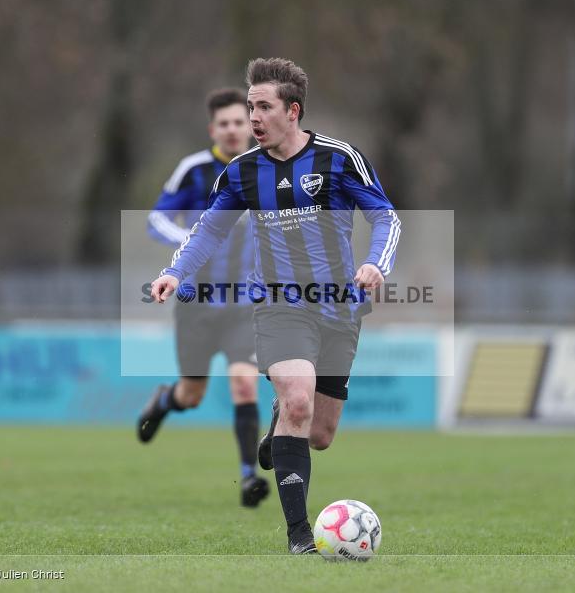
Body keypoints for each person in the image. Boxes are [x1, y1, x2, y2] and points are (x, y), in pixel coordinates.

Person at [149, 58, 401, 554]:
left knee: (320, 433)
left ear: (293, 110)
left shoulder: (339, 159)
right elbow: (208, 230)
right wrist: (175, 272)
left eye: (262, 107)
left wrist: (376, 265)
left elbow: (386, 218)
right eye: (249, 107)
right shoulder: (241, 172)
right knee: (299, 399)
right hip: (279, 303)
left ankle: (279, 425)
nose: (253, 118)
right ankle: (299, 535)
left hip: (339, 308)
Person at [137, 87, 269, 509]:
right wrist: (191, 241)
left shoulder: (267, 169)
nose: (233, 130)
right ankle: (165, 400)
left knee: (245, 383)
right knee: (191, 396)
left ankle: (249, 476)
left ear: (250, 126)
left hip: (244, 304)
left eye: (239, 122)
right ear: (213, 129)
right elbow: (157, 217)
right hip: (196, 304)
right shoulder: (194, 171)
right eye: (225, 123)